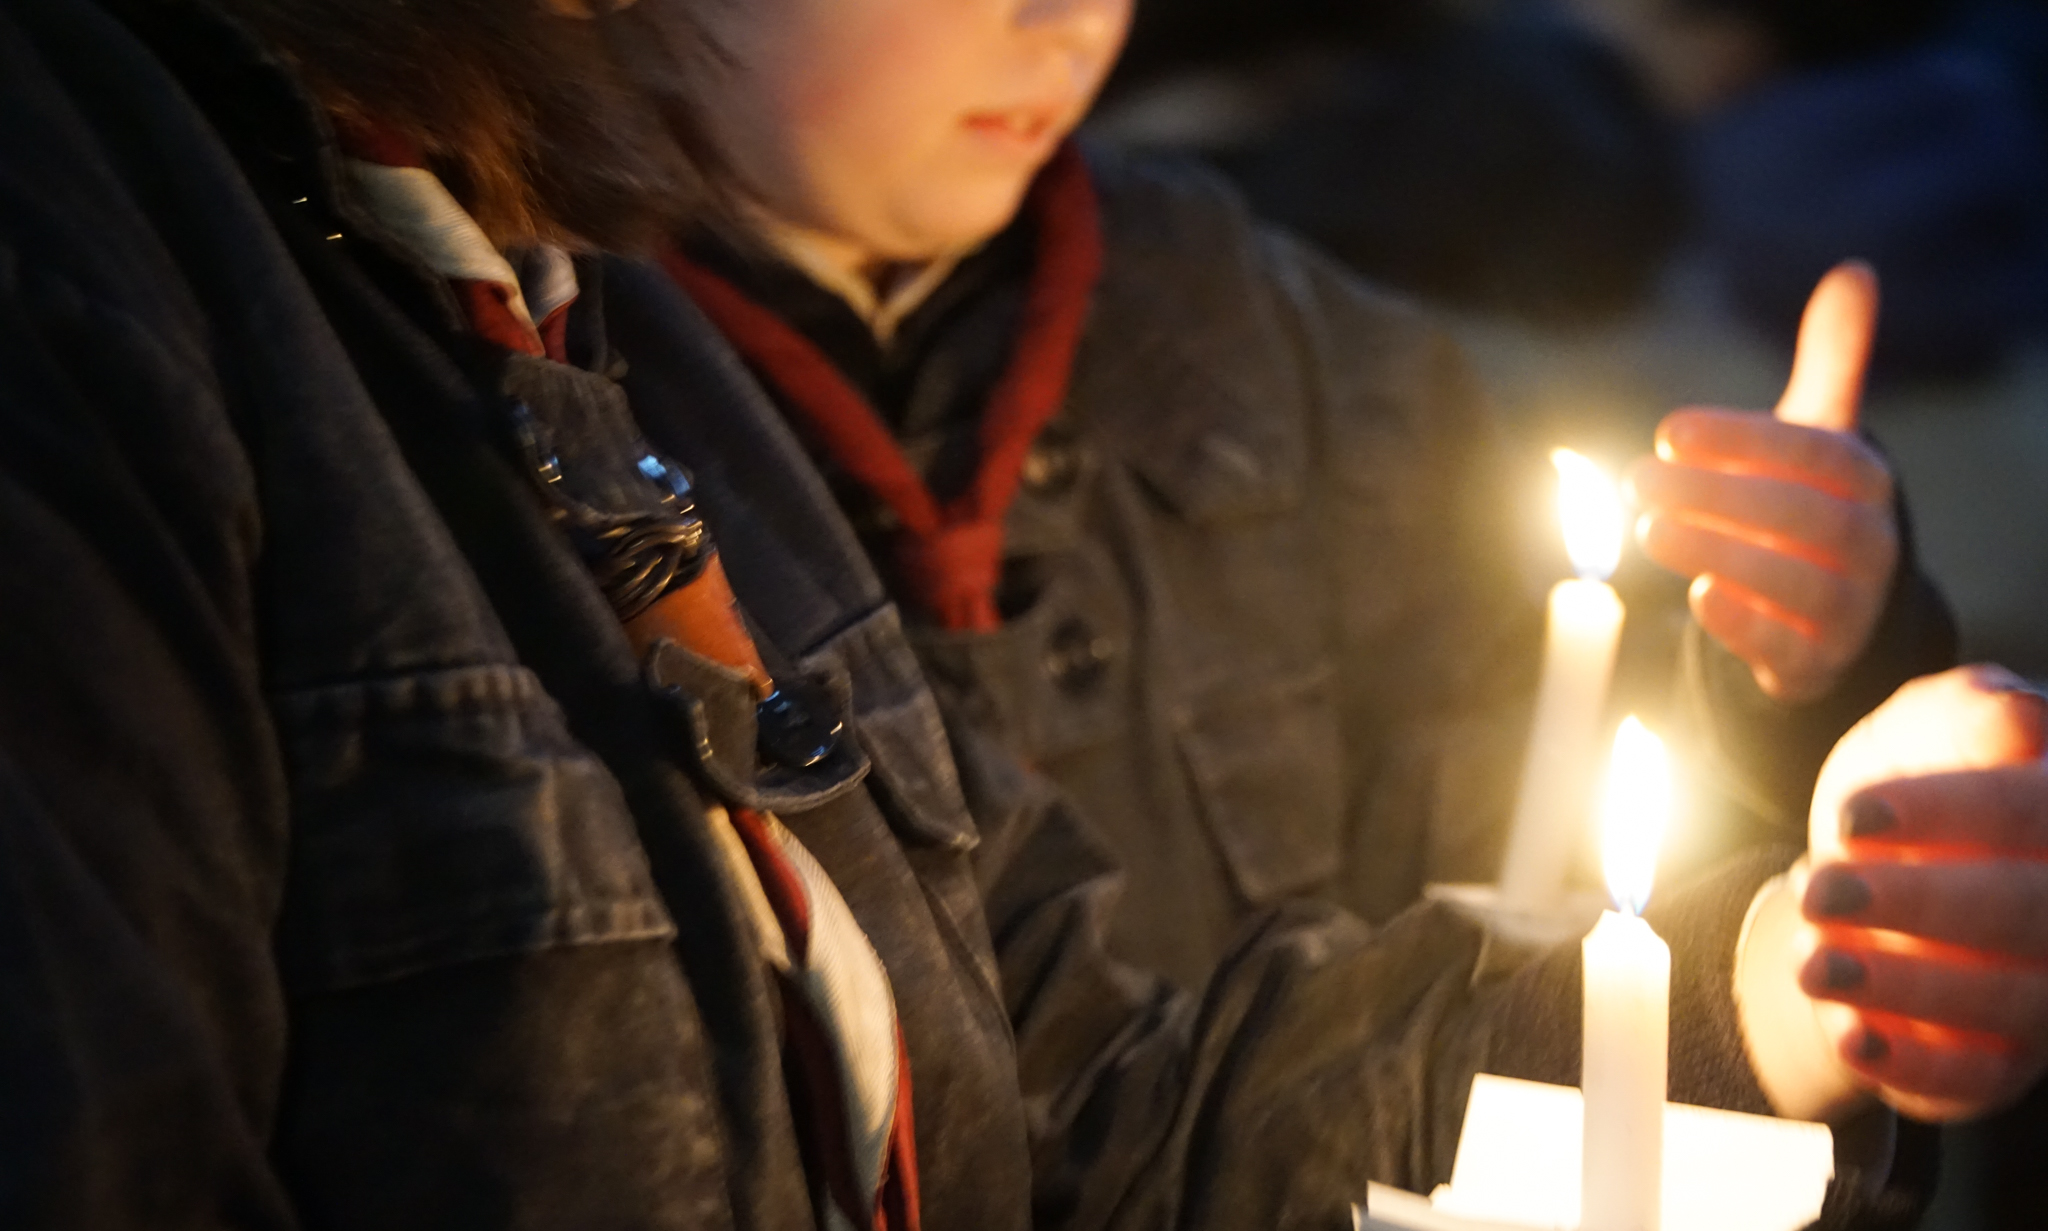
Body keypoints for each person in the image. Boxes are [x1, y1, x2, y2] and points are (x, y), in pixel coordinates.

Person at [0, 2, 2041, 1231]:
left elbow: (1075, 1151)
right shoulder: (113, 276)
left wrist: (1778, 966)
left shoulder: (596, 355)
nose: (1063, 19)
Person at [662, 0, 1952, 987]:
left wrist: (1791, 679)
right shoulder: (537, 404)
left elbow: (1534, 804)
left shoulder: (1288, 354)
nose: (1065, 23)